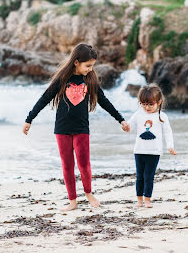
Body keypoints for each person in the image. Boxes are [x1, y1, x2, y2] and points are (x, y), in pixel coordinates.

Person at [23, 43, 130, 211]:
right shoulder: (62, 80)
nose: (90, 69)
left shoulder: (90, 80)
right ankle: (72, 201)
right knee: (67, 165)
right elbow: (44, 99)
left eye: (92, 65)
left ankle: (88, 193)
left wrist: (121, 120)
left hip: (81, 128)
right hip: (62, 129)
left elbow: (104, 101)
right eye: (88, 65)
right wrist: (29, 119)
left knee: (84, 164)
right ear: (76, 62)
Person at [126, 83, 177, 208]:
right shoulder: (138, 114)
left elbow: (167, 132)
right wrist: (125, 126)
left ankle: (147, 200)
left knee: (148, 177)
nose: (146, 107)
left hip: (154, 152)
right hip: (139, 150)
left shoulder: (162, 116)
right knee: (139, 177)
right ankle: (139, 200)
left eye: (150, 104)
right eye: (143, 104)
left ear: (158, 102)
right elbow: (129, 126)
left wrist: (170, 146)